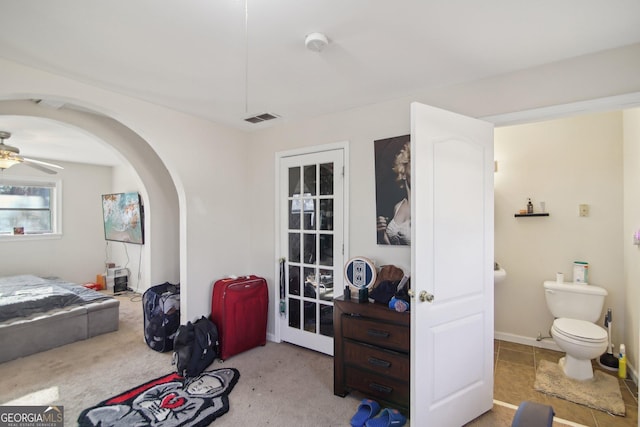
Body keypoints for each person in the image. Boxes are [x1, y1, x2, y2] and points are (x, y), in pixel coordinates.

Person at [377, 142, 411, 245]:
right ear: (403, 172)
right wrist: (382, 234)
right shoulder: (398, 207)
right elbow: (393, 247)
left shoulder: (426, 208)